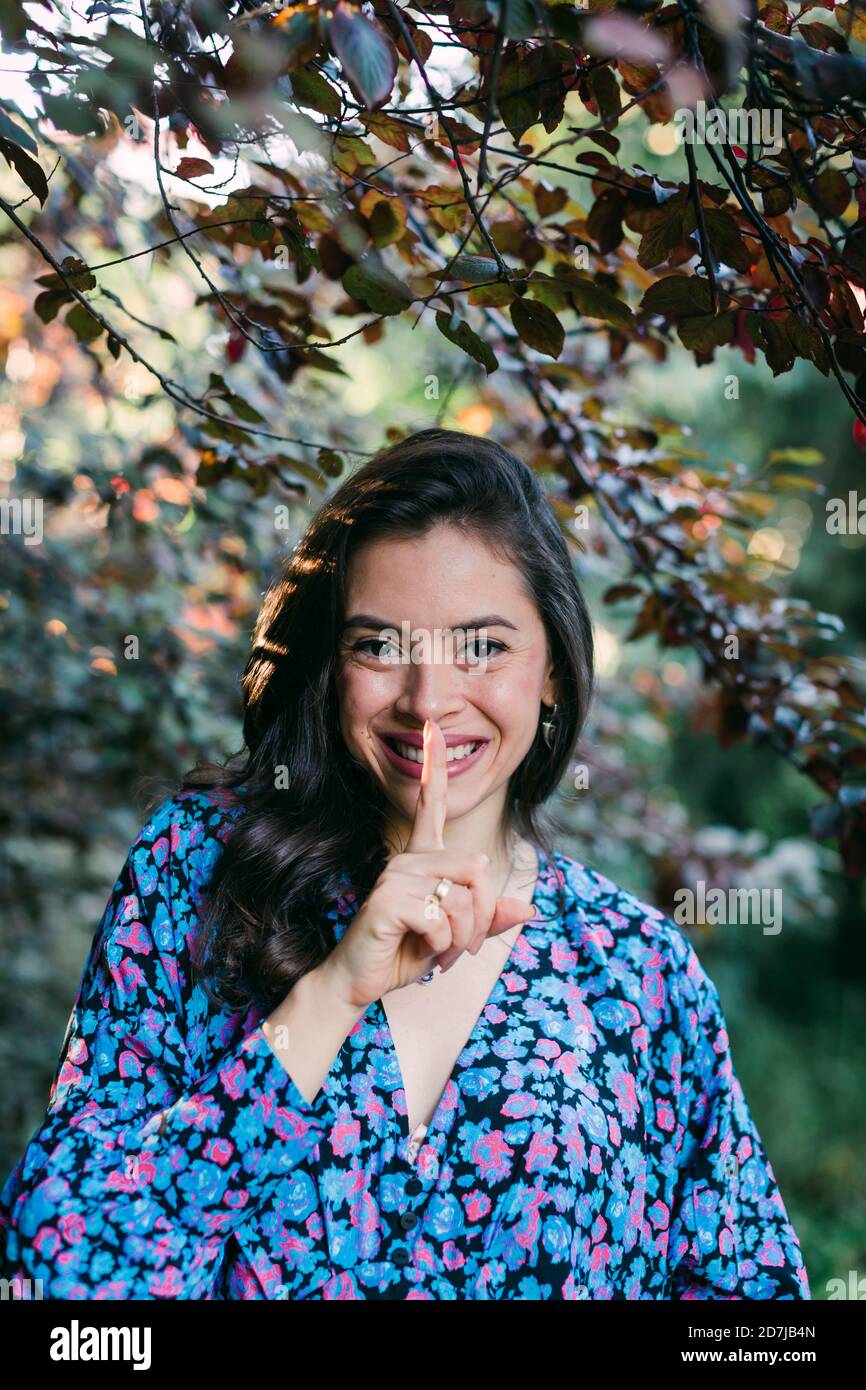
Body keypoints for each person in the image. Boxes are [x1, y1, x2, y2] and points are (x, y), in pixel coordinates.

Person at [0, 428, 810, 1300]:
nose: (428, 701)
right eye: (378, 646)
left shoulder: (638, 969)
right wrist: (332, 992)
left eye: (483, 646)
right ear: (332, 665)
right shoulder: (196, 869)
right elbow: (59, 1281)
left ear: (553, 673)